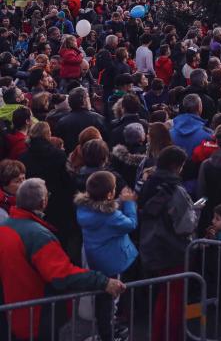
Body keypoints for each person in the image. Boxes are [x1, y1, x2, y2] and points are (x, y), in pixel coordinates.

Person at [0, 178, 125, 341]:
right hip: (36, 316)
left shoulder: (7, 226)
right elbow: (62, 273)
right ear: (43, 202)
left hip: (13, 312)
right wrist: (103, 282)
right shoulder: (38, 236)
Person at [139, 146, 198, 341]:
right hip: (173, 249)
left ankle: (159, 334)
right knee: (173, 298)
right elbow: (185, 225)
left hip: (151, 244)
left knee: (164, 296)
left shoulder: (147, 182)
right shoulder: (175, 189)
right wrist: (196, 213)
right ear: (175, 166)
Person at [75, 171, 138, 341]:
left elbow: (104, 208)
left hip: (95, 258)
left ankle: (105, 330)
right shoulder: (110, 216)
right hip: (111, 261)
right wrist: (129, 204)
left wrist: (118, 202)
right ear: (110, 193)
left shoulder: (84, 208)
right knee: (109, 301)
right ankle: (107, 334)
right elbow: (131, 224)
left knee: (102, 298)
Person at [55, 86, 106, 153]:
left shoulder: (62, 122)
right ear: (83, 101)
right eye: (87, 97)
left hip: (72, 159)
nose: (89, 99)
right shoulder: (98, 118)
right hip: (94, 157)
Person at [0, 159, 25, 223]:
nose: (24, 183)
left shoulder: (23, 199)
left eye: (24, 178)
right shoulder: (2, 212)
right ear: (4, 184)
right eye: (17, 181)